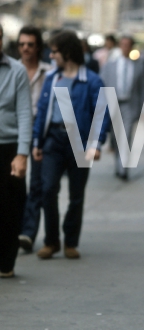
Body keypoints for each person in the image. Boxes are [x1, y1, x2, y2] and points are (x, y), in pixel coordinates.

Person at [33, 30, 109, 260]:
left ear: (66, 52)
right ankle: (52, 241)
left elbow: (101, 114)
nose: (51, 55)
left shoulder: (92, 81)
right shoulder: (52, 78)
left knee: (76, 194)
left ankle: (71, 242)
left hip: (80, 141)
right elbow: (43, 112)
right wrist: (37, 141)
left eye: (54, 51)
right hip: (53, 140)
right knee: (47, 190)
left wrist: (95, 144)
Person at [0, 23, 32, 277]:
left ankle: (6, 262)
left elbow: (24, 113)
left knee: (11, 206)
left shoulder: (16, 71)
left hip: (9, 147)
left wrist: (22, 154)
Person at [17, 25, 52, 253]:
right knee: (15, 183)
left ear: (38, 46)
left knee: (38, 184)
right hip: (16, 131)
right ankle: (14, 229)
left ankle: (27, 233)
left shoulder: (50, 72)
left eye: (30, 44)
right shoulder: (11, 69)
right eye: (22, 45)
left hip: (41, 132)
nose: (25, 48)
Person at [101, 35, 144, 180]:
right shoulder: (110, 66)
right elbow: (102, 86)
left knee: (125, 136)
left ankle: (123, 169)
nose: (125, 47)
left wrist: (142, 109)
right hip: (114, 104)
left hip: (129, 104)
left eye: (128, 45)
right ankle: (118, 164)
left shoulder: (138, 66)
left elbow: (142, 89)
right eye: (123, 44)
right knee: (115, 137)